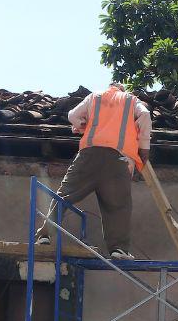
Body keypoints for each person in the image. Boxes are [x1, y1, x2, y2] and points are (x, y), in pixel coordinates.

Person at [35, 82, 151, 259]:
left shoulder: (94, 97)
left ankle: (44, 236)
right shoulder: (131, 101)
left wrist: (82, 125)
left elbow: (72, 115)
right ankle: (118, 249)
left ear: (109, 87)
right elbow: (145, 114)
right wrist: (144, 147)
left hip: (89, 155)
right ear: (121, 89)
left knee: (65, 195)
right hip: (118, 159)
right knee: (118, 206)